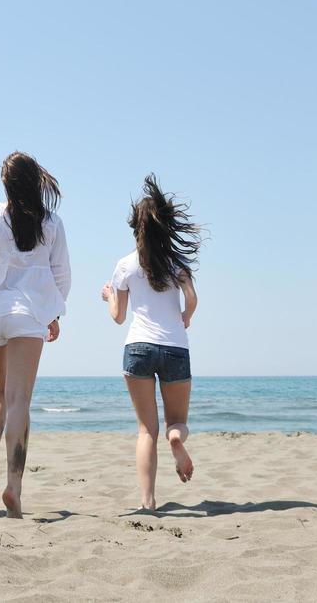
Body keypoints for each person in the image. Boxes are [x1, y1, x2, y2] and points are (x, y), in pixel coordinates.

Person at [0, 152, 71, 518]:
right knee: (19, 399)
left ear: (5, 185)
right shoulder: (51, 223)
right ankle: (14, 488)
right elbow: (62, 276)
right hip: (28, 315)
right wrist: (53, 314)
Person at [101, 175, 202, 512]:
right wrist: (185, 316)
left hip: (138, 348)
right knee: (177, 423)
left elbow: (118, 316)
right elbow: (192, 300)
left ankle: (147, 501)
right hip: (175, 348)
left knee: (146, 429)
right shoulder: (177, 264)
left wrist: (107, 297)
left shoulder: (125, 265)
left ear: (136, 227)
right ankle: (177, 439)